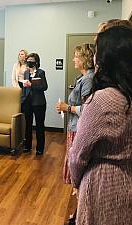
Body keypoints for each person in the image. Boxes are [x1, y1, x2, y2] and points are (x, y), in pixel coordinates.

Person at [69, 26, 132, 225]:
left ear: (106, 60)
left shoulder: (101, 101)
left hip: (102, 187)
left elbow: (77, 155)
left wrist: (76, 182)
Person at [56, 43, 95, 184]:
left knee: (76, 163)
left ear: (84, 59)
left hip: (79, 128)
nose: (73, 59)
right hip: (74, 126)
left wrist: (67, 108)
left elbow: (87, 109)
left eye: (76, 57)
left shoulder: (88, 80)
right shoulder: (82, 78)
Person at [19, 53, 48, 155]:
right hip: (27, 102)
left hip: (39, 103)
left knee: (40, 126)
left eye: (31, 60)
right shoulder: (26, 72)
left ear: (36, 61)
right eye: (28, 60)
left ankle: (40, 148)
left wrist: (31, 85)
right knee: (28, 125)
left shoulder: (41, 72)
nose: (29, 61)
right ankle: (28, 146)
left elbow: (44, 87)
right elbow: (24, 88)